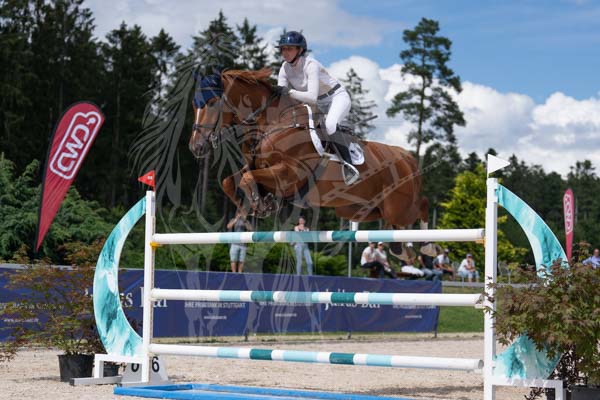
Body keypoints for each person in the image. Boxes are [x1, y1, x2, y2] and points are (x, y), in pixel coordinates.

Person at [275, 30, 359, 185]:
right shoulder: (284, 68)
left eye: (289, 49)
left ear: (300, 50)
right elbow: (281, 95)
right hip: (317, 104)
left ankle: (349, 167)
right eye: (283, 49)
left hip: (336, 97)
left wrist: (289, 92)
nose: (285, 52)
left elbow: (311, 97)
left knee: (330, 125)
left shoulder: (311, 65)